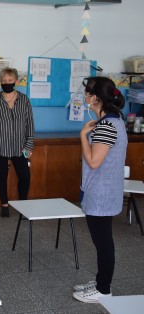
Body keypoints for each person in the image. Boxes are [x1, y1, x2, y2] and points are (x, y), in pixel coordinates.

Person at [72, 77, 127, 303]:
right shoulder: (115, 121)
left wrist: (83, 136)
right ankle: (100, 280)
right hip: (104, 191)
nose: (84, 97)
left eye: (87, 94)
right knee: (103, 241)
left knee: (103, 243)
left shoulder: (106, 126)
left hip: (101, 194)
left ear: (96, 99)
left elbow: (94, 161)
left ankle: (104, 289)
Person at [0, 67, 34, 217]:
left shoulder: (24, 100)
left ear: (16, 81)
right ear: (1, 82)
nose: (7, 83)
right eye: (4, 81)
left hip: (21, 146)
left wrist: (29, 144)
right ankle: (4, 205)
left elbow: (30, 123)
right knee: (1, 175)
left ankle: (23, 205)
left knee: (25, 176)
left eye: (10, 80)